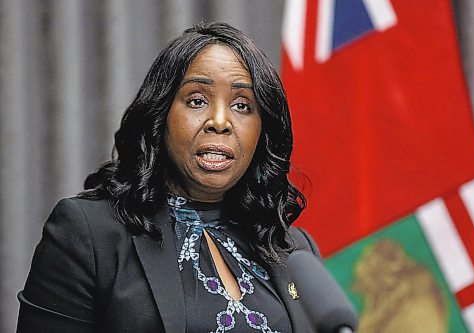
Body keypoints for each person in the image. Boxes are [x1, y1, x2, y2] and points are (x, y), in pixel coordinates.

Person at [16, 22, 320, 333]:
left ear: (262, 131)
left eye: (242, 106)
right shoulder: (88, 233)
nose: (220, 121)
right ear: (161, 115)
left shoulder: (295, 249)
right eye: (197, 100)